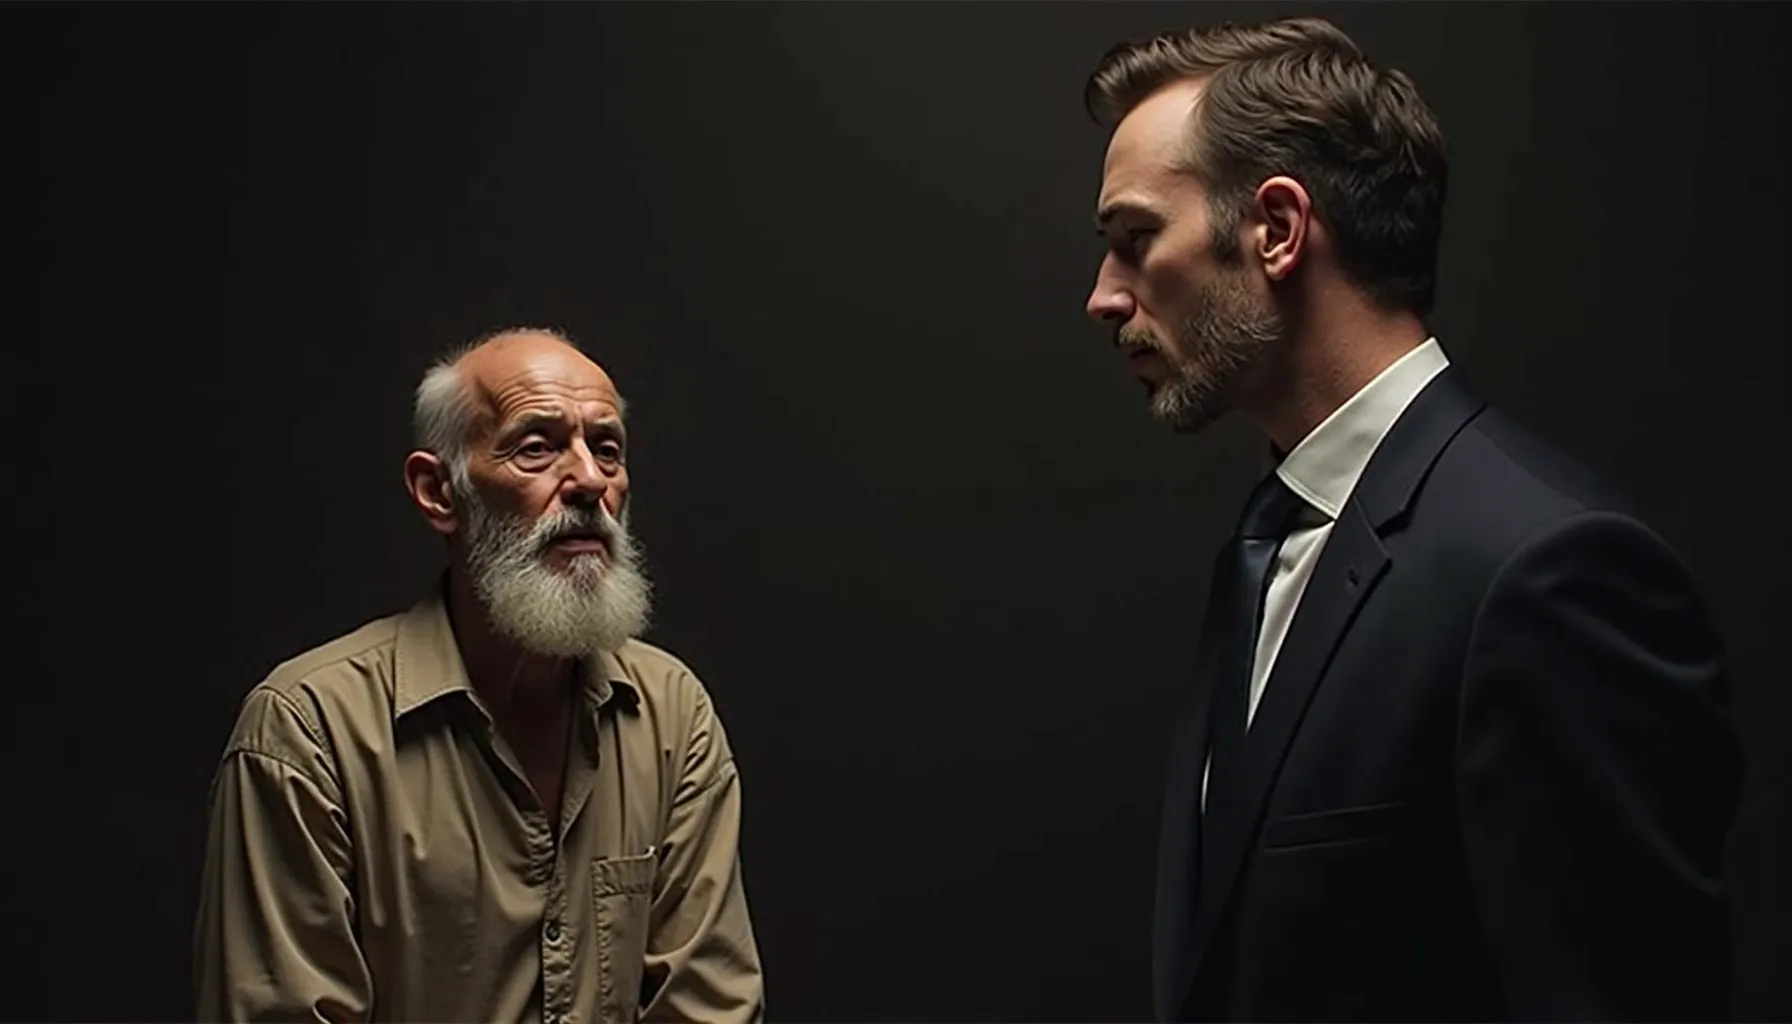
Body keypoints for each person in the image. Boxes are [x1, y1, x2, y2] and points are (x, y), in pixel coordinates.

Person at [1082, 17, 1740, 1022]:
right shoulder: (1266, 546)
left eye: (1134, 240)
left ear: (1277, 229)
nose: (1103, 297)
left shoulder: (1546, 571)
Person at [193, 328, 764, 1023]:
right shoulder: (308, 733)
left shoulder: (672, 715)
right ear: (439, 492)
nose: (589, 480)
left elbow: (710, 1010)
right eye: (537, 448)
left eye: (607, 449)